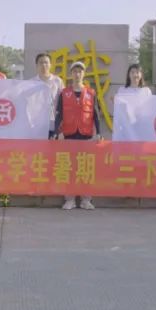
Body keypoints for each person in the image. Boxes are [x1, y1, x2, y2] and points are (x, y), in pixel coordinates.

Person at [54, 61, 103, 210]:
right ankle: (69, 199)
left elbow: (96, 115)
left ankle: (86, 199)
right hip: (68, 135)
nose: (77, 74)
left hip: (85, 135)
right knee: (68, 167)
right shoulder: (64, 93)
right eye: (75, 71)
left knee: (85, 167)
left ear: (84, 74)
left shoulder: (91, 93)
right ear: (71, 74)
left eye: (80, 71)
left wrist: (99, 133)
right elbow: (58, 115)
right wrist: (58, 132)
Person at [32, 52, 65, 139]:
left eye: (46, 62)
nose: (44, 65)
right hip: (36, 125)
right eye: (41, 62)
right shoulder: (31, 83)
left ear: (50, 65)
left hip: (53, 124)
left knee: (53, 147)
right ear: (36, 65)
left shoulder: (58, 81)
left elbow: (63, 102)